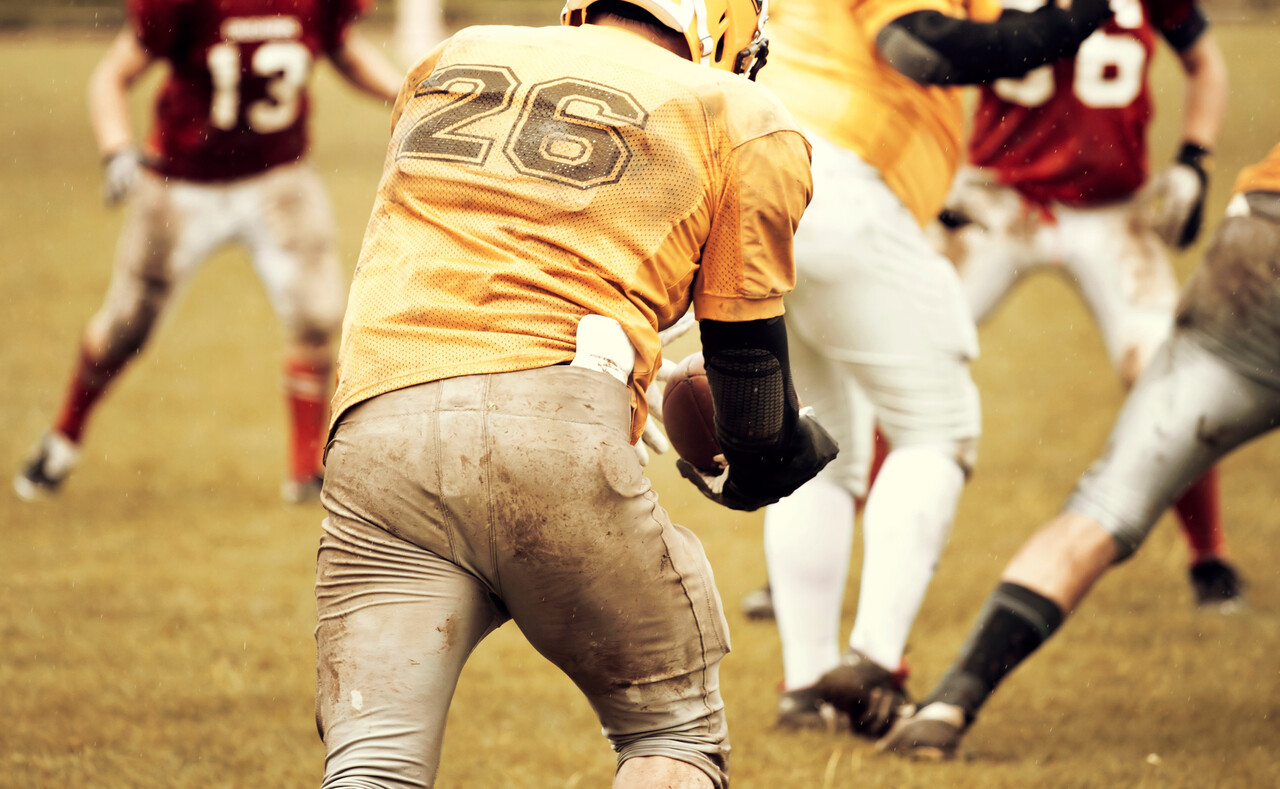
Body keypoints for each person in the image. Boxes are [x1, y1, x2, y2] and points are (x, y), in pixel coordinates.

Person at [313, 1, 838, 786]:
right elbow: (749, 383)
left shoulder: (454, 56)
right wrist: (783, 452)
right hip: (552, 424)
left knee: (374, 761)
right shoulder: (742, 112)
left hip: (379, 419)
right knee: (673, 733)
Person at [752, 0, 1122, 733]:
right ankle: (874, 664)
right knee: (937, 430)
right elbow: (921, 45)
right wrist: (1074, 21)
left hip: (765, 180)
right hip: (840, 188)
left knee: (818, 450)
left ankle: (804, 685)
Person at [879, 144, 1280, 759]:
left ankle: (950, 702)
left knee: (1105, 502)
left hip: (1253, 231)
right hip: (1017, 196)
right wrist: (1195, 157)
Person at [12, 0, 402, 504]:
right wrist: (116, 151)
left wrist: (407, 93)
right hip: (181, 182)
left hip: (277, 176)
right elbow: (111, 76)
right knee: (125, 326)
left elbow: (343, 50)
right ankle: (61, 440)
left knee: (317, 316)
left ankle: (305, 471)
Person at [935, 0, 1237, 607]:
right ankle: (827, 539)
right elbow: (923, 47)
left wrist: (1194, 161)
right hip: (999, 197)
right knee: (902, 353)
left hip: (1111, 209)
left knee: (1166, 374)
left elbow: (1206, 62)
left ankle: (1209, 554)